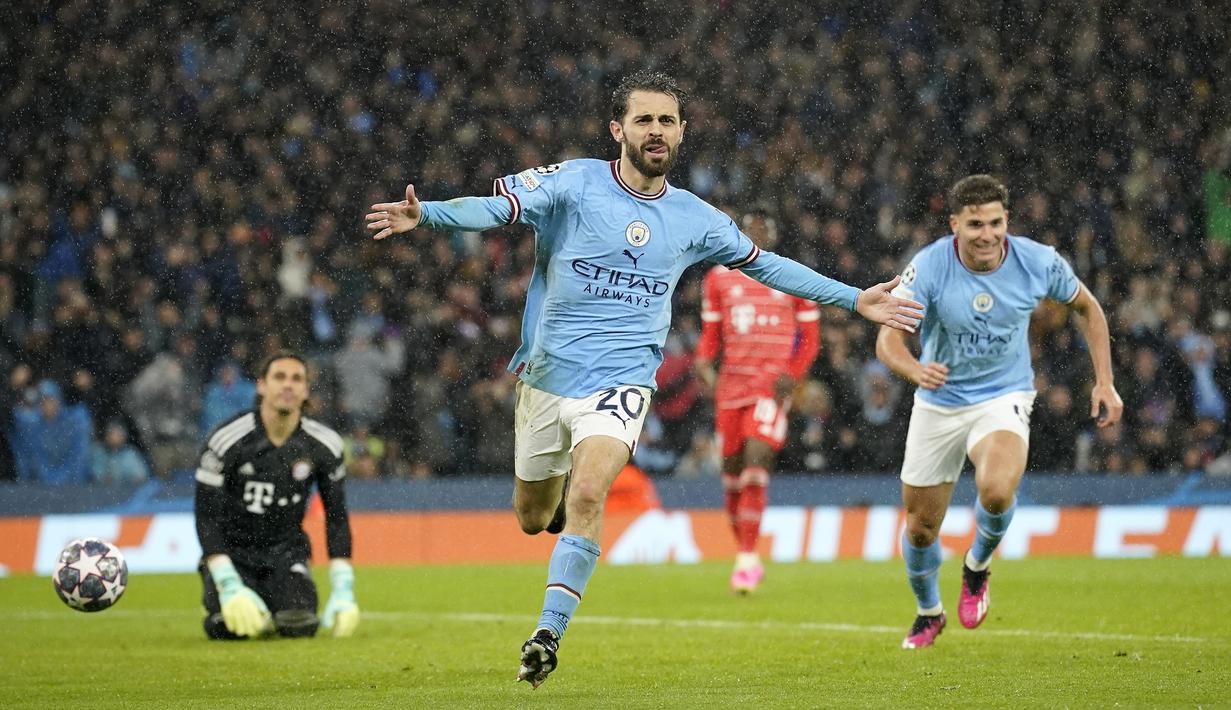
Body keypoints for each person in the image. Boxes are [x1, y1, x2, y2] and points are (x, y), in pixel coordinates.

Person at [366, 70, 923, 687]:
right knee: (532, 516)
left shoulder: (695, 218)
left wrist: (854, 298)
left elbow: (769, 268)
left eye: (667, 121)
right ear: (618, 129)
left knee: (588, 494)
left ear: (682, 132)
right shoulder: (573, 182)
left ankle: (548, 633)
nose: (656, 131)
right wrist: (432, 214)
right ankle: (553, 517)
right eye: (644, 120)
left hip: (624, 381)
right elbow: (497, 208)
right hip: (547, 380)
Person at [875, 175, 1123, 649]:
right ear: (955, 226)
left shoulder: (1038, 261)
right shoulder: (929, 266)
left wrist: (1105, 381)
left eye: (994, 223)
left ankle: (977, 566)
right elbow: (888, 337)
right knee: (922, 526)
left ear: (1006, 221)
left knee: (994, 489)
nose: (986, 234)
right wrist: (914, 370)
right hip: (939, 402)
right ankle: (929, 612)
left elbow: (1088, 309)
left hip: (1003, 395)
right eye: (974, 225)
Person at [693, 208, 821, 595]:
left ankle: (747, 558)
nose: (756, 235)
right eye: (749, 229)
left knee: (756, 459)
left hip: (770, 388)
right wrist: (703, 365)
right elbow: (710, 340)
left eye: (763, 229)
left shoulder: (792, 276)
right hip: (731, 388)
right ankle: (746, 554)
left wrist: (793, 375)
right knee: (731, 474)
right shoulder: (718, 279)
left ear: (774, 234)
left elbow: (811, 339)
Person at [193, 351, 359, 640]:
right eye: (279, 377)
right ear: (261, 386)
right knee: (228, 629)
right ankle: (222, 591)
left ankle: (280, 596)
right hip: (234, 555)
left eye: (297, 379)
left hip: (286, 553)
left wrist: (344, 588)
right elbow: (206, 516)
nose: (288, 385)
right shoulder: (227, 440)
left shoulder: (325, 445)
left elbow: (337, 517)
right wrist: (226, 579)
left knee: (300, 626)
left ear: (306, 390)